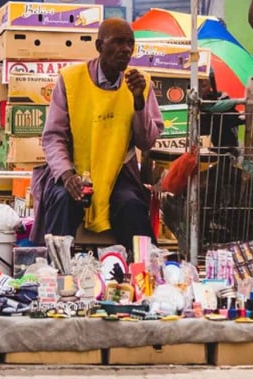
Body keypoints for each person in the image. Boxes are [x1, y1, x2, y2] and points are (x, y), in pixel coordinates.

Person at [31, 18, 162, 247]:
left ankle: (143, 264)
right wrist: (67, 176)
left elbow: (147, 142)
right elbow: (53, 137)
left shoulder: (139, 84)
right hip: (74, 170)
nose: (126, 49)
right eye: (118, 42)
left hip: (118, 173)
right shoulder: (71, 80)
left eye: (130, 43)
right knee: (63, 200)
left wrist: (139, 101)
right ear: (100, 46)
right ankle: (55, 264)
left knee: (131, 204)